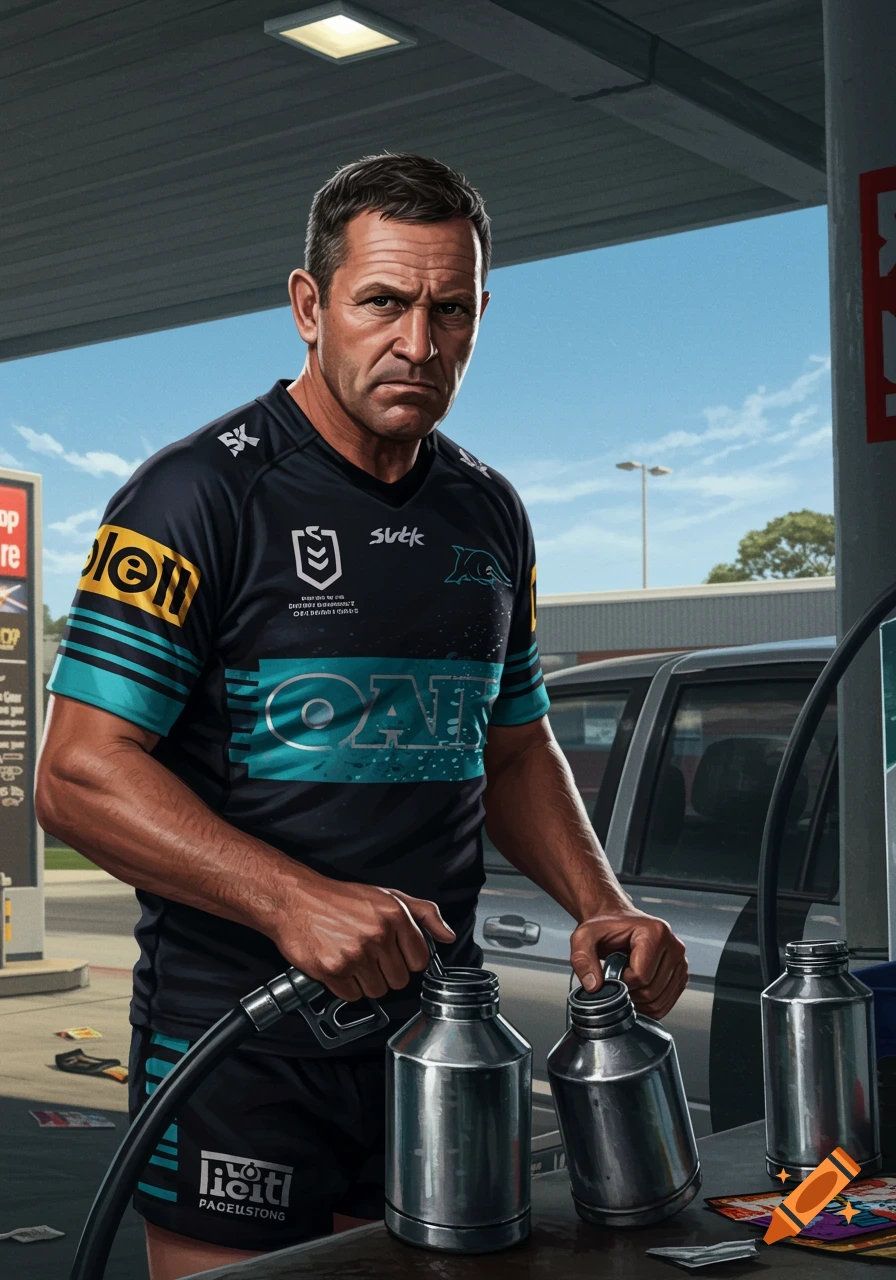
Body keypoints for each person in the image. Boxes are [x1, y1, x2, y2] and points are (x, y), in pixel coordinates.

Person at [35, 152, 688, 1280]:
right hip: (237, 1045)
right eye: (383, 301)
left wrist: (602, 902)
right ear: (308, 306)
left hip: (438, 1038)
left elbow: (514, 738)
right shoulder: (195, 495)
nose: (419, 344)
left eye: (451, 310)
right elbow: (79, 772)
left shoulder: (488, 509)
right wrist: (291, 897)